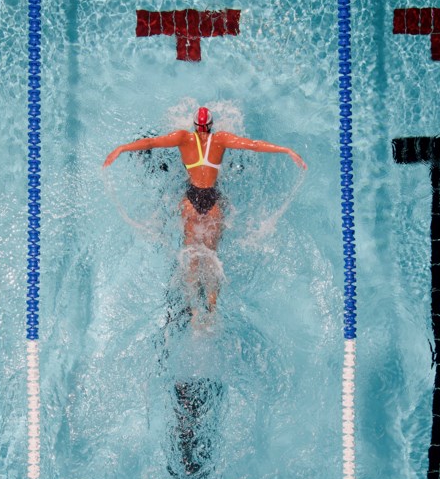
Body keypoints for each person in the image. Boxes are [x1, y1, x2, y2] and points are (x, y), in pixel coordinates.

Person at [103, 107, 306, 320]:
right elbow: (254, 145)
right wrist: (287, 150)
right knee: (211, 258)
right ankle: (212, 308)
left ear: (194, 125)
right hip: (213, 203)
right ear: (210, 125)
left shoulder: (183, 138)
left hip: (191, 201)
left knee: (191, 255)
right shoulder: (221, 139)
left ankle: (193, 310)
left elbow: (151, 143)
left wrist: (121, 148)